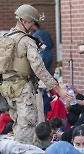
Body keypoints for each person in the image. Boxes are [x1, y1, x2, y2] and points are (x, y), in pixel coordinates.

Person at [0, 4, 72, 144]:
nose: (33, 26)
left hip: (8, 88)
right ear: (25, 21)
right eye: (32, 22)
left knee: (17, 123)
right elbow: (39, 67)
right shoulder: (26, 41)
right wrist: (57, 89)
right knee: (27, 125)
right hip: (23, 89)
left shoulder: (5, 38)